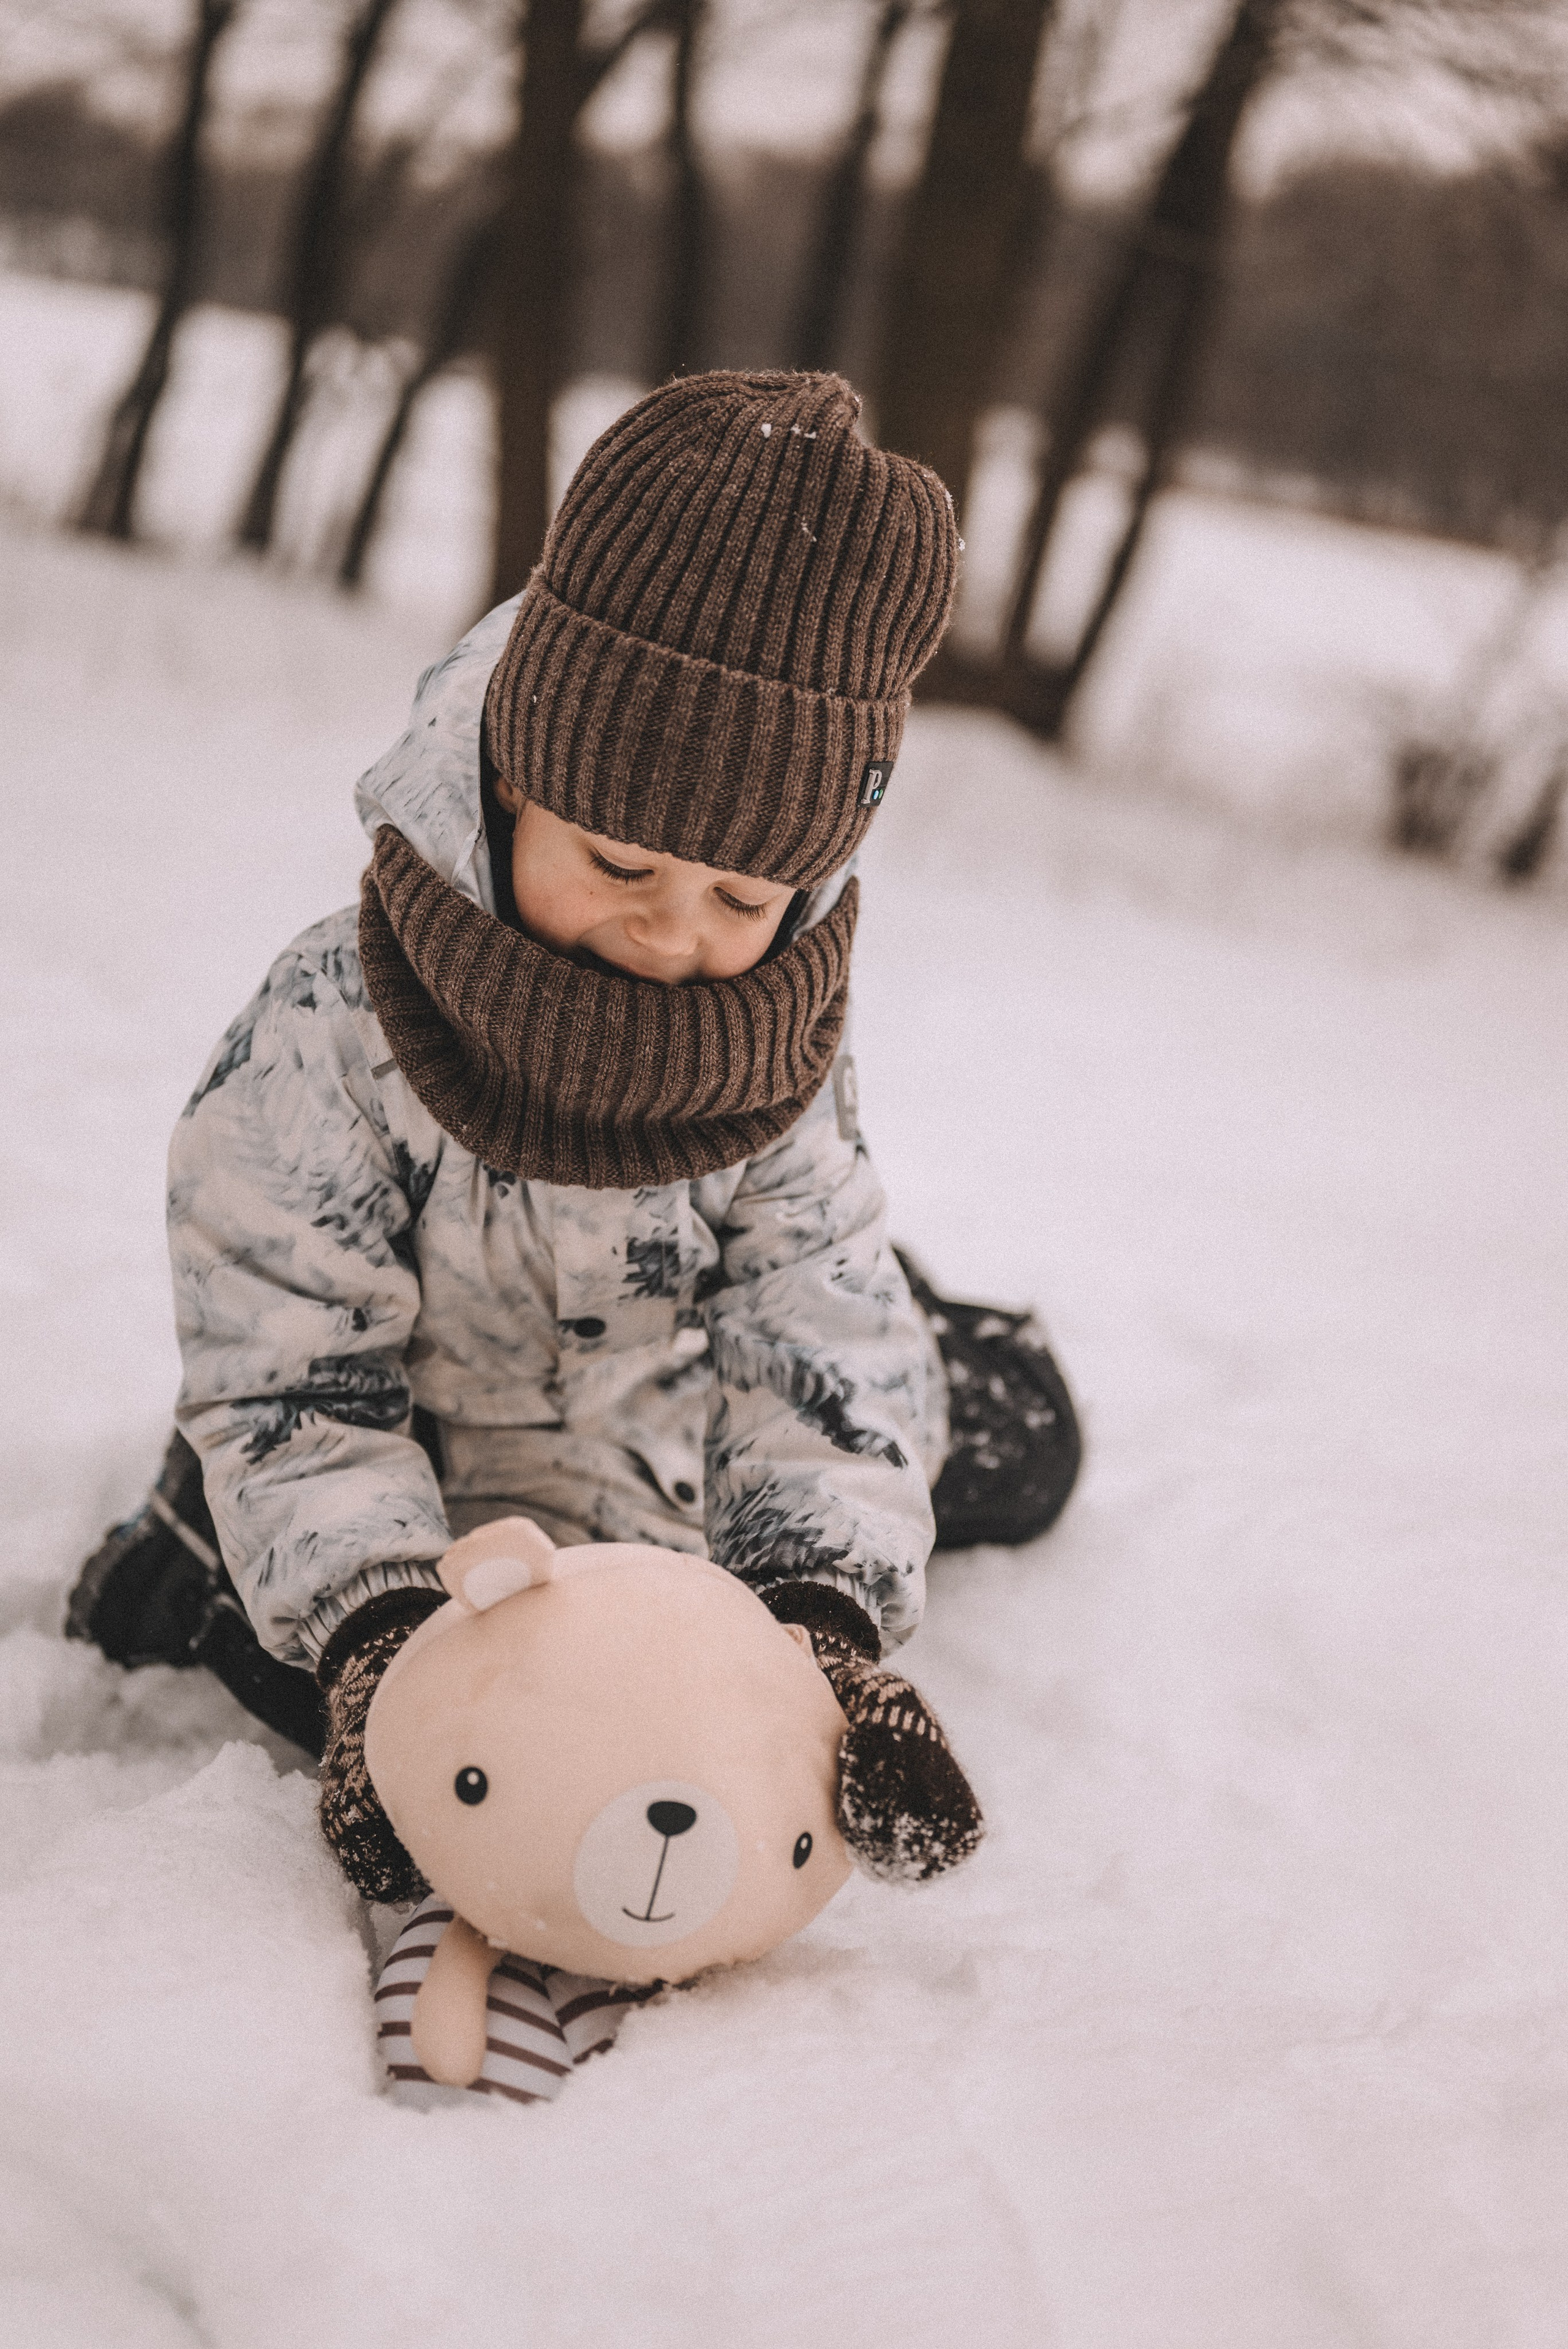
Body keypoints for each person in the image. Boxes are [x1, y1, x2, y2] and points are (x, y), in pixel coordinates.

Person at [68, 371, 1080, 1892]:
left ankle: (939, 1325)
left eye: (743, 898)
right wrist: (374, 1643)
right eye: (618, 860)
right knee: (312, 1652)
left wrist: (815, 1626)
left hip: (654, 1452)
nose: (672, 937)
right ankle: (211, 1546)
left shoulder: (774, 1042)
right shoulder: (340, 1019)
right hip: (414, 1441)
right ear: (506, 782)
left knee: (1004, 1434)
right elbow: (294, 1361)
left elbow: (814, 1325)